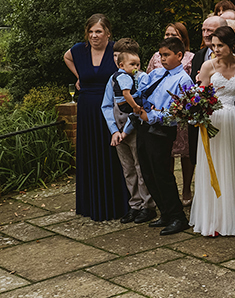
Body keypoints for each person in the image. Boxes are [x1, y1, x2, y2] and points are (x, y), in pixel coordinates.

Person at [190, 26, 235, 236]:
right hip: (213, 123)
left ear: (232, 45)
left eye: (220, 45)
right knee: (215, 166)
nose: (216, 50)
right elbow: (200, 97)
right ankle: (214, 220)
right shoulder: (207, 66)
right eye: (213, 45)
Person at [63, 14, 129, 221]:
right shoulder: (79, 50)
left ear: (107, 33)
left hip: (110, 109)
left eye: (98, 31)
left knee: (113, 154)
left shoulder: (116, 50)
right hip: (87, 110)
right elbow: (66, 57)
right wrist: (79, 76)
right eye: (90, 31)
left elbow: (131, 68)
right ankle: (91, 204)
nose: (94, 35)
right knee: (90, 153)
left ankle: (118, 204)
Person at [136, 36, 195, 234]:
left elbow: (179, 112)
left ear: (179, 55)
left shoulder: (183, 79)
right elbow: (143, 93)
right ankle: (165, 212)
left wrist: (153, 114)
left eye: (167, 55)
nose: (162, 59)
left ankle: (178, 216)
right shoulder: (157, 73)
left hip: (162, 130)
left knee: (162, 173)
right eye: (160, 55)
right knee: (148, 172)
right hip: (144, 126)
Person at [101, 40, 156, 224]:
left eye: (119, 56)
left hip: (135, 129)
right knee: (128, 169)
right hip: (118, 131)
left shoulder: (141, 78)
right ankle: (135, 204)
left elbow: (140, 105)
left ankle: (148, 205)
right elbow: (106, 105)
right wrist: (114, 131)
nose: (116, 60)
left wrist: (126, 130)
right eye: (115, 56)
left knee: (140, 167)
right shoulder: (113, 78)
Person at [147, 23, 195, 205]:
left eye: (173, 34)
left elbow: (187, 95)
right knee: (162, 161)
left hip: (175, 117)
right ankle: (167, 197)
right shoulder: (158, 67)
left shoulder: (186, 69)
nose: (162, 58)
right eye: (166, 34)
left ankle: (183, 191)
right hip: (157, 117)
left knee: (183, 154)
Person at [189, 15, 228, 168]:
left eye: (210, 30)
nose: (205, 34)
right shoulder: (199, 56)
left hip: (228, 114)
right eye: (203, 30)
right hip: (205, 116)